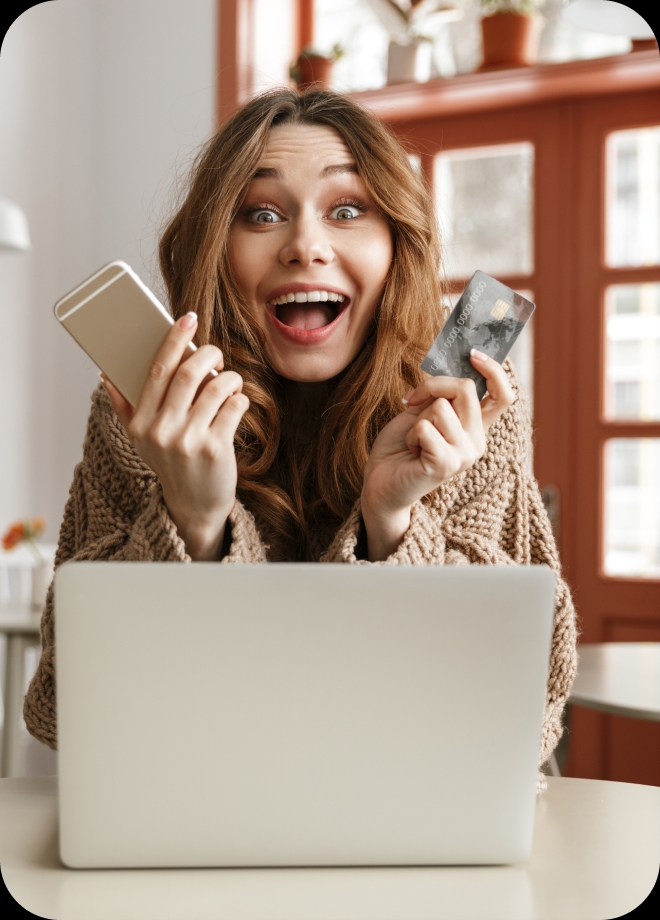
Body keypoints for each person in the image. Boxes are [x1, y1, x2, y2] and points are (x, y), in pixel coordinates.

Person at [25, 89, 577, 784]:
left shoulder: (468, 415)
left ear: (396, 242)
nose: (306, 247)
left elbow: (532, 708)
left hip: (418, 816)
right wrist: (194, 522)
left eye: (348, 210)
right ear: (216, 250)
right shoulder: (143, 419)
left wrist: (394, 526)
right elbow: (65, 714)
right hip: (208, 816)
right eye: (260, 214)